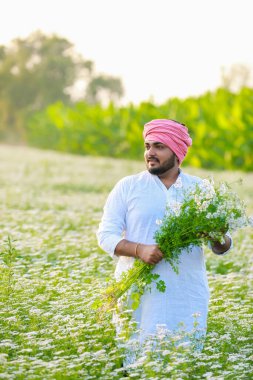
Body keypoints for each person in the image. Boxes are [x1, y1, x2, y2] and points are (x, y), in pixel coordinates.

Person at [97, 119, 232, 349]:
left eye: (159, 146)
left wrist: (216, 235)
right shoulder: (128, 186)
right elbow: (105, 236)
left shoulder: (200, 189)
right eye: (148, 146)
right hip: (138, 294)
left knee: (183, 361)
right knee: (139, 361)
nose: (150, 152)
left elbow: (222, 246)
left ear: (177, 151)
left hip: (186, 294)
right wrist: (140, 250)